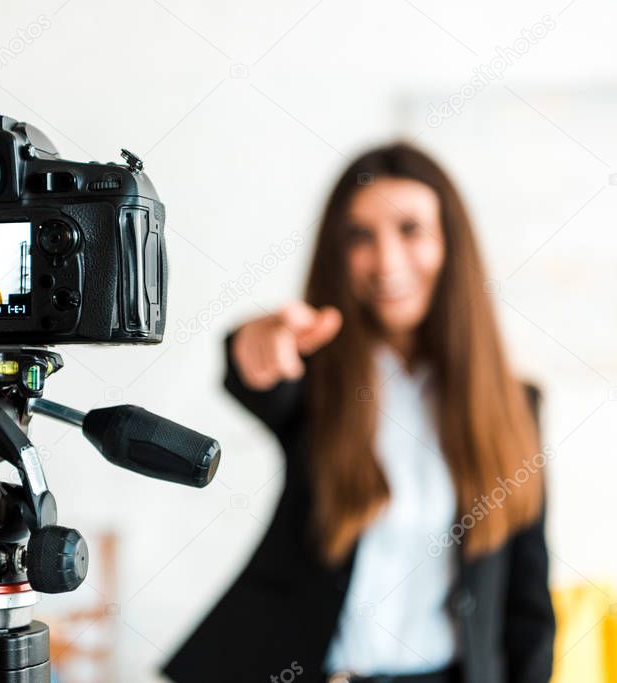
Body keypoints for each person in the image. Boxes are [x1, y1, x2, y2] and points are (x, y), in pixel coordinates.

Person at [163, 143, 554, 683]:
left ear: (449, 244)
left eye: (410, 230)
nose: (387, 261)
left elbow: (527, 599)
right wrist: (255, 340)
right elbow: (254, 373)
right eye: (361, 236)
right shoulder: (318, 378)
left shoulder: (515, 405)